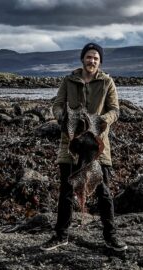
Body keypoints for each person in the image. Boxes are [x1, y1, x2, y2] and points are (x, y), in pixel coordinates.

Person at [40, 42, 127, 252]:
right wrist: (65, 119)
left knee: (103, 192)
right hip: (70, 144)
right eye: (89, 57)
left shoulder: (107, 82)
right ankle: (61, 235)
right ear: (82, 59)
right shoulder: (69, 80)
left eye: (96, 58)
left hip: (97, 146)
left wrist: (99, 122)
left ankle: (111, 236)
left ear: (100, 61)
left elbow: (115, 110)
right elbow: (57, 105)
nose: (92, 61)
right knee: (67, 191)